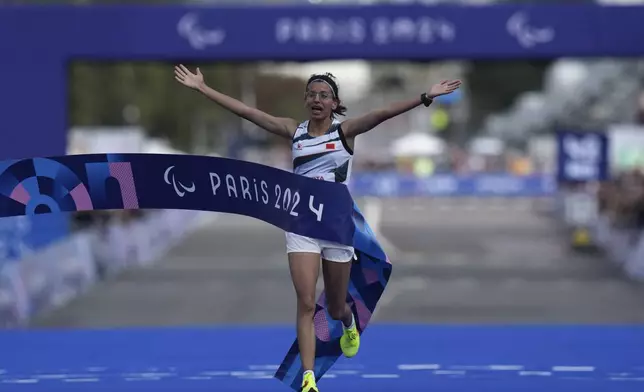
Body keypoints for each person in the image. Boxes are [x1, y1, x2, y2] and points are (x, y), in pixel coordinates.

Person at [174, 64, 461, 392]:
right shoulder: (292, 131)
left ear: (335, 104)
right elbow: (247, 112)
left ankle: (349, 321)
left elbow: (382, 113)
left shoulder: (345, 133)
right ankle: (308, 378)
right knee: (307, 302)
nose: (317, 99)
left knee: (336, 306)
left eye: (324, 95)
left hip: (336, 227)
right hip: (301, 226)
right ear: (305, 100)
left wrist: (425, 97)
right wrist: (202, 88)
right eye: (311, 94)